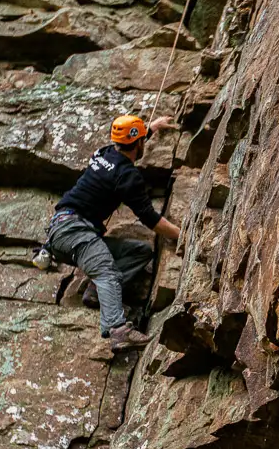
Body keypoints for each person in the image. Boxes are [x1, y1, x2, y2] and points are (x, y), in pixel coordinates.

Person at [44, 114, 181, 350]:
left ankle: (96, 292)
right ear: (139, 143)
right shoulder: (126, 176)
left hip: (63, 230)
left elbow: (126, 145)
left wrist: (151, 129)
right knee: (106, 270)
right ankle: (118, 330)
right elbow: (150, 218)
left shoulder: (104, 153)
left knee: (140, 252)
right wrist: (182, 235)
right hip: (74, 231)